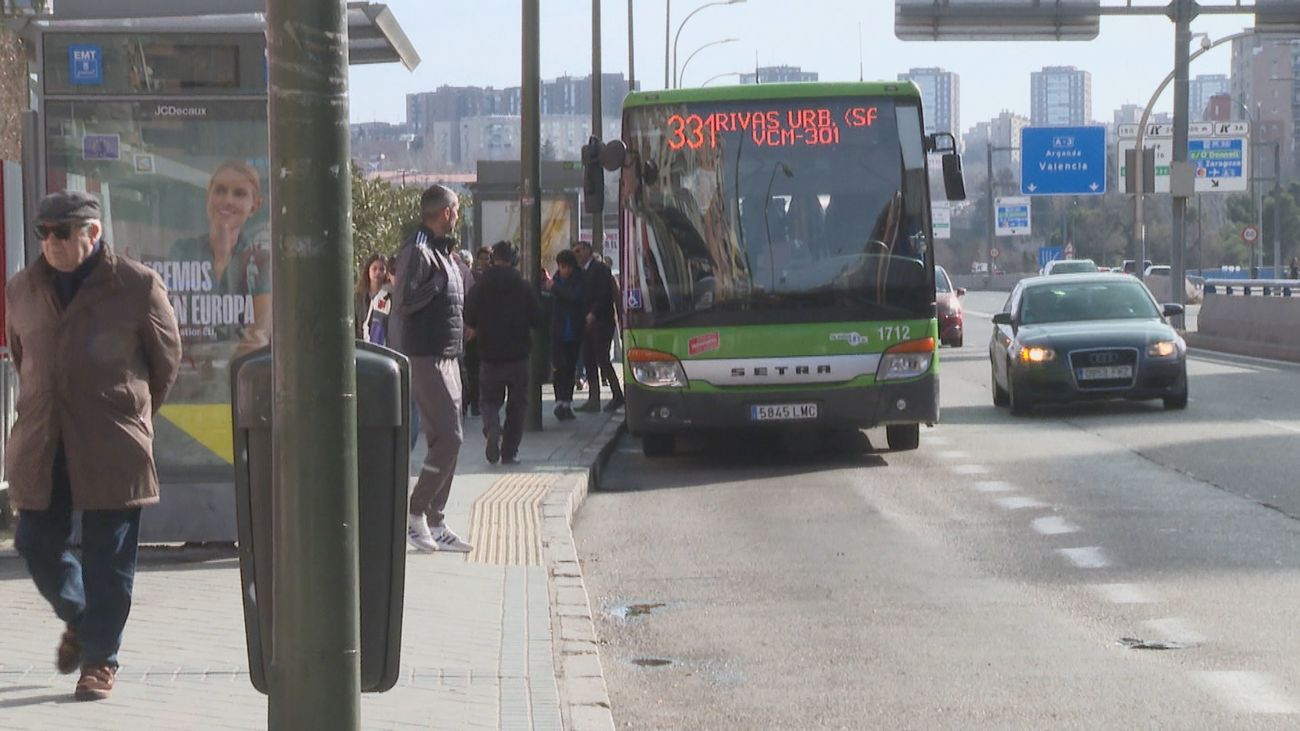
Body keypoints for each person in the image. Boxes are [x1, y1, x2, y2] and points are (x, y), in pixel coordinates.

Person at [8, 190, 182, 701]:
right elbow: (23, 358)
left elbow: (165, 361)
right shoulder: (22, 288)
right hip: (45, 438)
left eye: (62, 232)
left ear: (93, 233)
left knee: (109, 558)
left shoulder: (135, 284)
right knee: (36, 544)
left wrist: (135, 414)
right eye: (43, 233)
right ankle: (84, 621)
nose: (52, 243)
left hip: (113, 439)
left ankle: (99, 661)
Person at [390, 184, 474, 553]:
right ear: (446, 212)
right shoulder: (418, 250)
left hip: (448, 354)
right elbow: (405, 300)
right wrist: (439, 283)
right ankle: (415, 513)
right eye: (455, 209)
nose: (457, 215)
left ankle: (436, 520)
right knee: (450, 437)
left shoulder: (444, 252)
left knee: (451, 440)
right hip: (425, 355)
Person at [168, 160, 270, 358]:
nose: (228, 200)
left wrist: (221, 376)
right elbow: (169, 323)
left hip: (235, 378)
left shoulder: (261, 261)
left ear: (255, 206)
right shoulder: (182, 251)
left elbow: (259, 337)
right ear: (209, 195)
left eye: (239, 193)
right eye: (220, 190)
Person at [464, 240, 543, 464]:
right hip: (518, 356)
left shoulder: (480, 285)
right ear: (513, 260)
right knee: (517, 407)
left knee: (488, 400)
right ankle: (509, 452)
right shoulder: (522, 285)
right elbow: (538, 317)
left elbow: (469, 316)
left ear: (493, 258)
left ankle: (492, 427)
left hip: (489, 356)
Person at [572, 241, 624, 412]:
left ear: (588, 250)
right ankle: (593, 399)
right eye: (574, 252)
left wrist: (594, 313)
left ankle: (617, 395)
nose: (576, 255)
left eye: (579, 251)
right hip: (585, 322)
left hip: (602, 321)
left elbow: (604, 294)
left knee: (602, 358)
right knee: (588, 358)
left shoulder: (600, 269)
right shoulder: (579, 271)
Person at [547, 249, 586, 421]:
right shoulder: (555, 279)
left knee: (570, 368)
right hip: (558, 331)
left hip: (574, 331)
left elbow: (574, 297)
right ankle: (559, 402)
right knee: (559, 368)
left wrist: (554, 288)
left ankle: (567, 403)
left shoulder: (578, 279)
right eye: (562, 267)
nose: (565, 271)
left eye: (567, 267)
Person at [354, 253, 391, 344]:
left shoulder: (389, 297)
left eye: (381, 269)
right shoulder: (359, 297)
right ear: (368, 270)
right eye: (374, 268)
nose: (377, 272)